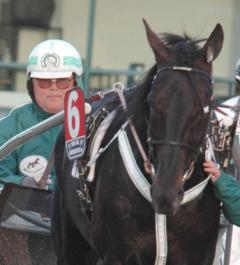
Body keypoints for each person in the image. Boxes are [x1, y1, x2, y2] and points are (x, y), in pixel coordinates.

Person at [0, 39, 84, 190]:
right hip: (25, 212)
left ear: (76, 82)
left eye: (62, 81)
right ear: (31, 85)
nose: (53, 88)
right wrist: (20, 184)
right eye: (44, 82)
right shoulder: (9, 127)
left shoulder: (97, 122)